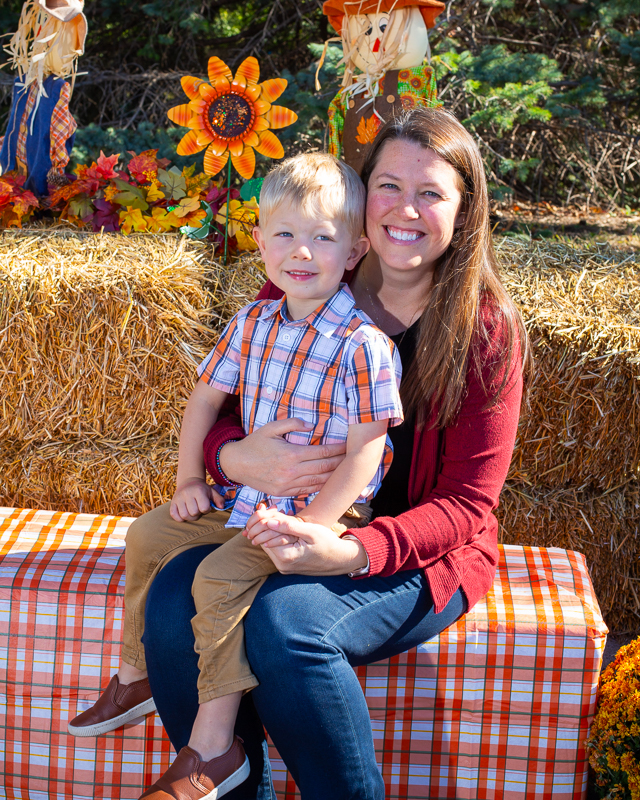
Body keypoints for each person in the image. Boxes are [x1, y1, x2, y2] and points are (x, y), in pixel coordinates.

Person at [100, 106, 530, 800]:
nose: (406, 210)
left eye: (431, 193)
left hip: (413, 552)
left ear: (465, 210)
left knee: (285, 623)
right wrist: (231, 460)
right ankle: (219, 773)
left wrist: (348, 550)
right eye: (389, 186)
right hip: (279, 511)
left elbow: (467, 505)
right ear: (361, 201)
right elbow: (227, 410)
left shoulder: (483, 331)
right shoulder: (307, 274)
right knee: (176, 591)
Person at [68, 153, 404, 798]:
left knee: (218, 577)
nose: (301, 251)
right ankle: (136, 675)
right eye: (285, 233)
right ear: (259, 239)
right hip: (243, 497)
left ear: (355, 250)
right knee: (147, 536)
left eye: (322, 237)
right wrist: (189, 480)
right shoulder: (253, 321)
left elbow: (366, 451)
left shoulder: (363, 345)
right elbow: (203, 399)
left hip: (317, 511)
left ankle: (215, 744)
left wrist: (311, 528)